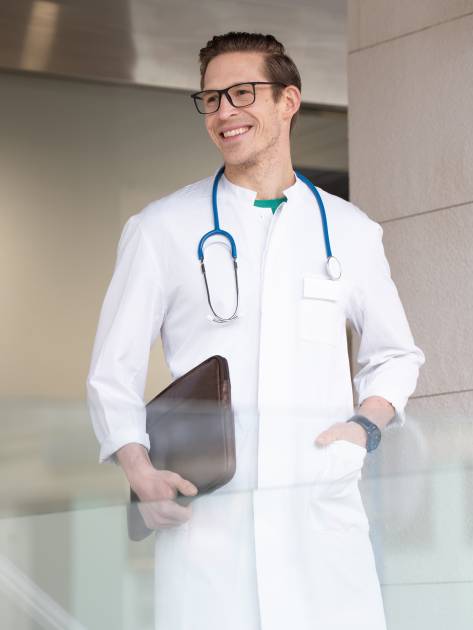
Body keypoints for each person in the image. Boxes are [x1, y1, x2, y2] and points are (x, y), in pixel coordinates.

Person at [86, 32, 424, 630]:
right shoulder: (161, 228)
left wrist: (363, 428)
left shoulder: (350, 230)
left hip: (320, 518)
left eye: (242, 93)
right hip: (209, 527)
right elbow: (112, 373)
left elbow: (395, 355)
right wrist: (139, 471)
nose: (224, 112)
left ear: (288, 100)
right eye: (212, 98)